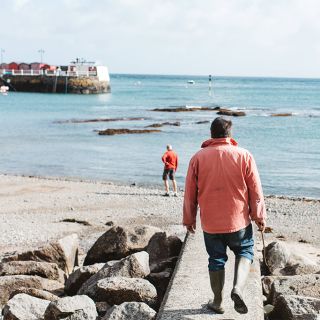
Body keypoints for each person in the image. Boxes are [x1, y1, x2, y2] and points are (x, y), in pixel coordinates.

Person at [183, 117, 266, 314]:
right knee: (245, 251)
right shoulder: (244, 155)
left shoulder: (198, 157)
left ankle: (218, 302)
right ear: (230, 134)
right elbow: (255, 189)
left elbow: (190, 193)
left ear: (211, 134)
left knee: (216, 259)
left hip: (210, 223)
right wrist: (259, 216)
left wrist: (189, 219)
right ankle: (237, 288)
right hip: (238, 221)